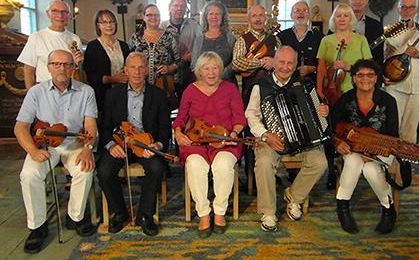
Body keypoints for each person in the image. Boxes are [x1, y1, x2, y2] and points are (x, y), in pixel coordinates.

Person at [15, 50, 97, 254]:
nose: (62, 68)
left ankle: (75, 217)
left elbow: (90, 124)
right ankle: (37, 226)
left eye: (67, 64)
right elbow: (20, 127)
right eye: (57, 64)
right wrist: (32, 151)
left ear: (73, 68)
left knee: (85, 170)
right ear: (49, 67)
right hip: (45, 145)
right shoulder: (36, 92)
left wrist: (88, 147)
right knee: (29, 174)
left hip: (74, 142)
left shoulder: (86, 91)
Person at [245, 46, 328, 232]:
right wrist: (265, 135)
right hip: (270, 138)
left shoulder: (304, 85)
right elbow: (251, 115)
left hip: (302, 141)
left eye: (290, 63)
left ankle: (294, 196)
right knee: (264, 163)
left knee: (320, 162)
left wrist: (324, 111)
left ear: (296, 64)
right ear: (274, 62)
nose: (285, 67)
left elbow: (318, 114)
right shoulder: (261, 86)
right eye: (281, 62)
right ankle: (268, 212)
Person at [173, 51, 246, 238]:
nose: (211, 72)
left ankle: (220, 211)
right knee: (195, 166)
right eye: (206, 68)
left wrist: (234, 133)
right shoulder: (190, 90)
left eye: (215, 68)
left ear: (220, 70)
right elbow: (180, 120)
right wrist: (178, 134)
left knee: (223, 165)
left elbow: (239, 118)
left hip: (225, 141)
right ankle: (204, 213)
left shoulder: (230, 89)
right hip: (196, 141)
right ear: (199, 71)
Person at [97, 52, 170, 236]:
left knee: (155, 168)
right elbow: (104, 127)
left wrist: (158, 146)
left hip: (146, 145)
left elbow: (164, 129)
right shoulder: (112, 95)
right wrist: (110, 146)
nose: (137, 72)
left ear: (147, 70)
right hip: (119, 145)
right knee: (104, 171)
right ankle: (119, 212)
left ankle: (145, 215)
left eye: (141, 67)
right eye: (132, 67)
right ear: (125, 70)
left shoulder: (159, 95)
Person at [332, 59, 399, 234]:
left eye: (370, 75)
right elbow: (332, 127)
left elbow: (393, 135)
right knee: (354, 162)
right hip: (353, 148)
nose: (365, 79)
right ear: (353, 78)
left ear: (376, 78)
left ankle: (388, 210)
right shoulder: (346, 99)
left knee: (370, 169)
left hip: (383, 149)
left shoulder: (388, 101)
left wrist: (371, 150)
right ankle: (343, 208)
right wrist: (338, 142)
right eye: (360, 75)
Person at [384, 0, 419, 144]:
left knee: (410, 128)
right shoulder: (389, 31)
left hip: (417, 87)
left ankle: (406, 163)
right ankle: (391, 164)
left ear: (416, 10)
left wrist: (418, 54)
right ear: (398, 9)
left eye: (411, 7)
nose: (407, 10)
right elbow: (382, 57)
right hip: (395, 85)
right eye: (403, 7)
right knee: (392, 125)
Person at [18, 0, 84, 89]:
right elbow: (29, 70)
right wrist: (31, 95)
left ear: (69, 15)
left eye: (64, 12)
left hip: (69, 89)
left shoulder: (75, 39)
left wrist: (79, 62)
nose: (60, 15)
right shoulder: (37, 37)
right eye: (55, 11)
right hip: (44, 89)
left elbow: (77, 69)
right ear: (48, 14)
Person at [316, 3, 372, 103]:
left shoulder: (361, 40)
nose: (342, 19)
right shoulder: (326, 40)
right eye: (338, 16)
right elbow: (320, 67)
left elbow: (369, 68)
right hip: (330, 89)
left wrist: (349, 67)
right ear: (334, 19)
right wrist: (319, 90)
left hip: (355, 88)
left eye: (346, 16)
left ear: (351, 19)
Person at [128, 4, 181, 107]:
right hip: (139, 86)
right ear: (144, 17)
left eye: (156, 15)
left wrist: (170, 68)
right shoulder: (135, 38)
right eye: (149, 15)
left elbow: (179, 61)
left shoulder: (168, 37)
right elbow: (128, 61)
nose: (153, 17)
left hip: (163, 86)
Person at [232, 4, 281, 106]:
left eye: (261, 15)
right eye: (254, 16)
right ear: (249, 19)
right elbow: (236, 63)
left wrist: (274, 63)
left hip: (272, 88)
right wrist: (261, 62)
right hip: (250, 89)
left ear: (265, 18)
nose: (258, 19)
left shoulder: (275, 39)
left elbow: (283, 61)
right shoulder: (242, 40)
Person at [84, 9, 130, 115]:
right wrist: (112, 79)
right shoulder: (93, 47)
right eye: (104, 22)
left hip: (124, 93)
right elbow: (91, 76)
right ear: (98, 25)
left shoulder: (124, 46)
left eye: (111, 21)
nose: (109, 25)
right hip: (103, 95)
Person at [161, 0, 202, 96]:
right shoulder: (162, 26)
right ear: (170, 8)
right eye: (176, 5)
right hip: (168, 72)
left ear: (186, 9)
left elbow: (202, 44)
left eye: (182, 6)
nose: (179, 8)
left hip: (188, 71)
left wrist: (194, 54)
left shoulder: (194, 26)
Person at [277, 0, 323, 84]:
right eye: (297, 10)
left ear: (309, 15)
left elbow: (324, 64)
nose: (301, 13)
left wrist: (312, 68)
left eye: (304, 11)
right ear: (291, 15)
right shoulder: (281, 36)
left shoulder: (320, 37)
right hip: (286, 83)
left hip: (312, 83)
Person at [191, 0, 236, 83]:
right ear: (206, 17)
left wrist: (219, 75)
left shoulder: (230, 38)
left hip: (227, 81)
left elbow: (235, 62)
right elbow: (194, 64)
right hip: (204, 83)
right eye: (211, 14)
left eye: (217, 14)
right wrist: (206, 76)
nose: (214, 17)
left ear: (223, 17)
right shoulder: (199, 39)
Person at [348, 0, 384, 65]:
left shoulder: (376, 25)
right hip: (342, 71)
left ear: (367, 1)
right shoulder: (339, 23)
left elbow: (379, 54)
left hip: (367, 71)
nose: (358, 1)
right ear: (349, 1)